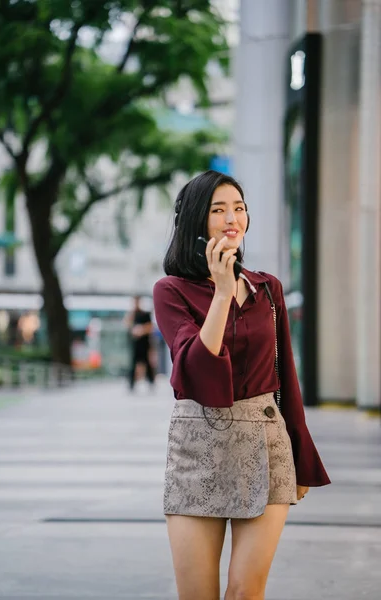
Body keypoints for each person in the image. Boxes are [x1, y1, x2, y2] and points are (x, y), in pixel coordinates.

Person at [152, 170, 330, 600]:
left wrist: (302, 455)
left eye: (239, 208)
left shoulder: (268, 289)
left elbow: (286, 376)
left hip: (266, 444)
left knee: (246, 592)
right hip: (199, 447)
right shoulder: (170, 291)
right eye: (218, 210)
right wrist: (222, 292)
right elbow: (195, 369)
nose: (233, 218)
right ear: (196, 220)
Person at [124, 295, 155, 391]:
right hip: (135, 344)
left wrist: (142, 330)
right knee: (133, 364)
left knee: (147, 363)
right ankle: (131, 384)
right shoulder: (131, 314)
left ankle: (151, 382)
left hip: (144, 343)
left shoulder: (145, 314)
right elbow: (127, 325)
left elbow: (150, 327)